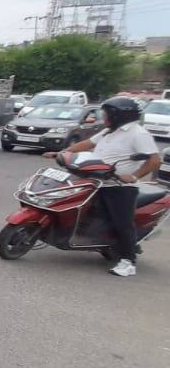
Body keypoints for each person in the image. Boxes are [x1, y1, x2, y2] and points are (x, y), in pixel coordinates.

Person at [52, 96, 162, 277]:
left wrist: (134, 176)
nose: (104, 117)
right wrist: (63, 152)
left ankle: (128, 261)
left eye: (107, 114)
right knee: (85, 212)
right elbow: (88, 144)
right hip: (96, 182)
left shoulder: (138, 133)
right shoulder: (108, 131)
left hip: (119, 186)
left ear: (119, 116)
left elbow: (154, 160)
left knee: (122, 223)